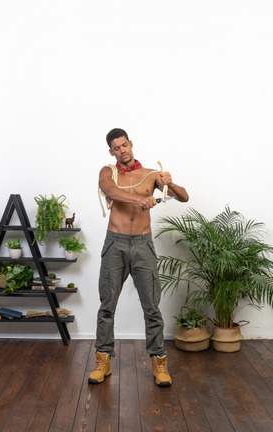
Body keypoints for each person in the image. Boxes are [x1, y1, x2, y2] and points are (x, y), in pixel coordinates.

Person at [88, 128, 189, 387]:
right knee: (107, 305)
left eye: (124, 145)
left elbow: (183, 197)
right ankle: (102, 361)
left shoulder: (151, 175)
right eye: (116, 148)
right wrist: (139, 200)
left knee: (152, 308)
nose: (122, 151)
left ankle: (159, 363)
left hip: (143, 245)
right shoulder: (107, 171)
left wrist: (170, 182)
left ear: (131, 144)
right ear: (111, 151)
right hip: (115, 243)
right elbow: (109, 191)